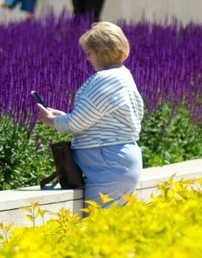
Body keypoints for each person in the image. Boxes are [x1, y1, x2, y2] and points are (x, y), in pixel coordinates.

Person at [37, 21, 144, 207]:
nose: (88, 58)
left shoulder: (104, 80)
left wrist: (51, 120)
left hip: (108, 165)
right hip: (117, 163)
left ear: (100, 52)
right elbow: (98, 117)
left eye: (89, 53)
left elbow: (76, 124)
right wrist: (64, 115)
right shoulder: (123, 75)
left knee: (97, 228)